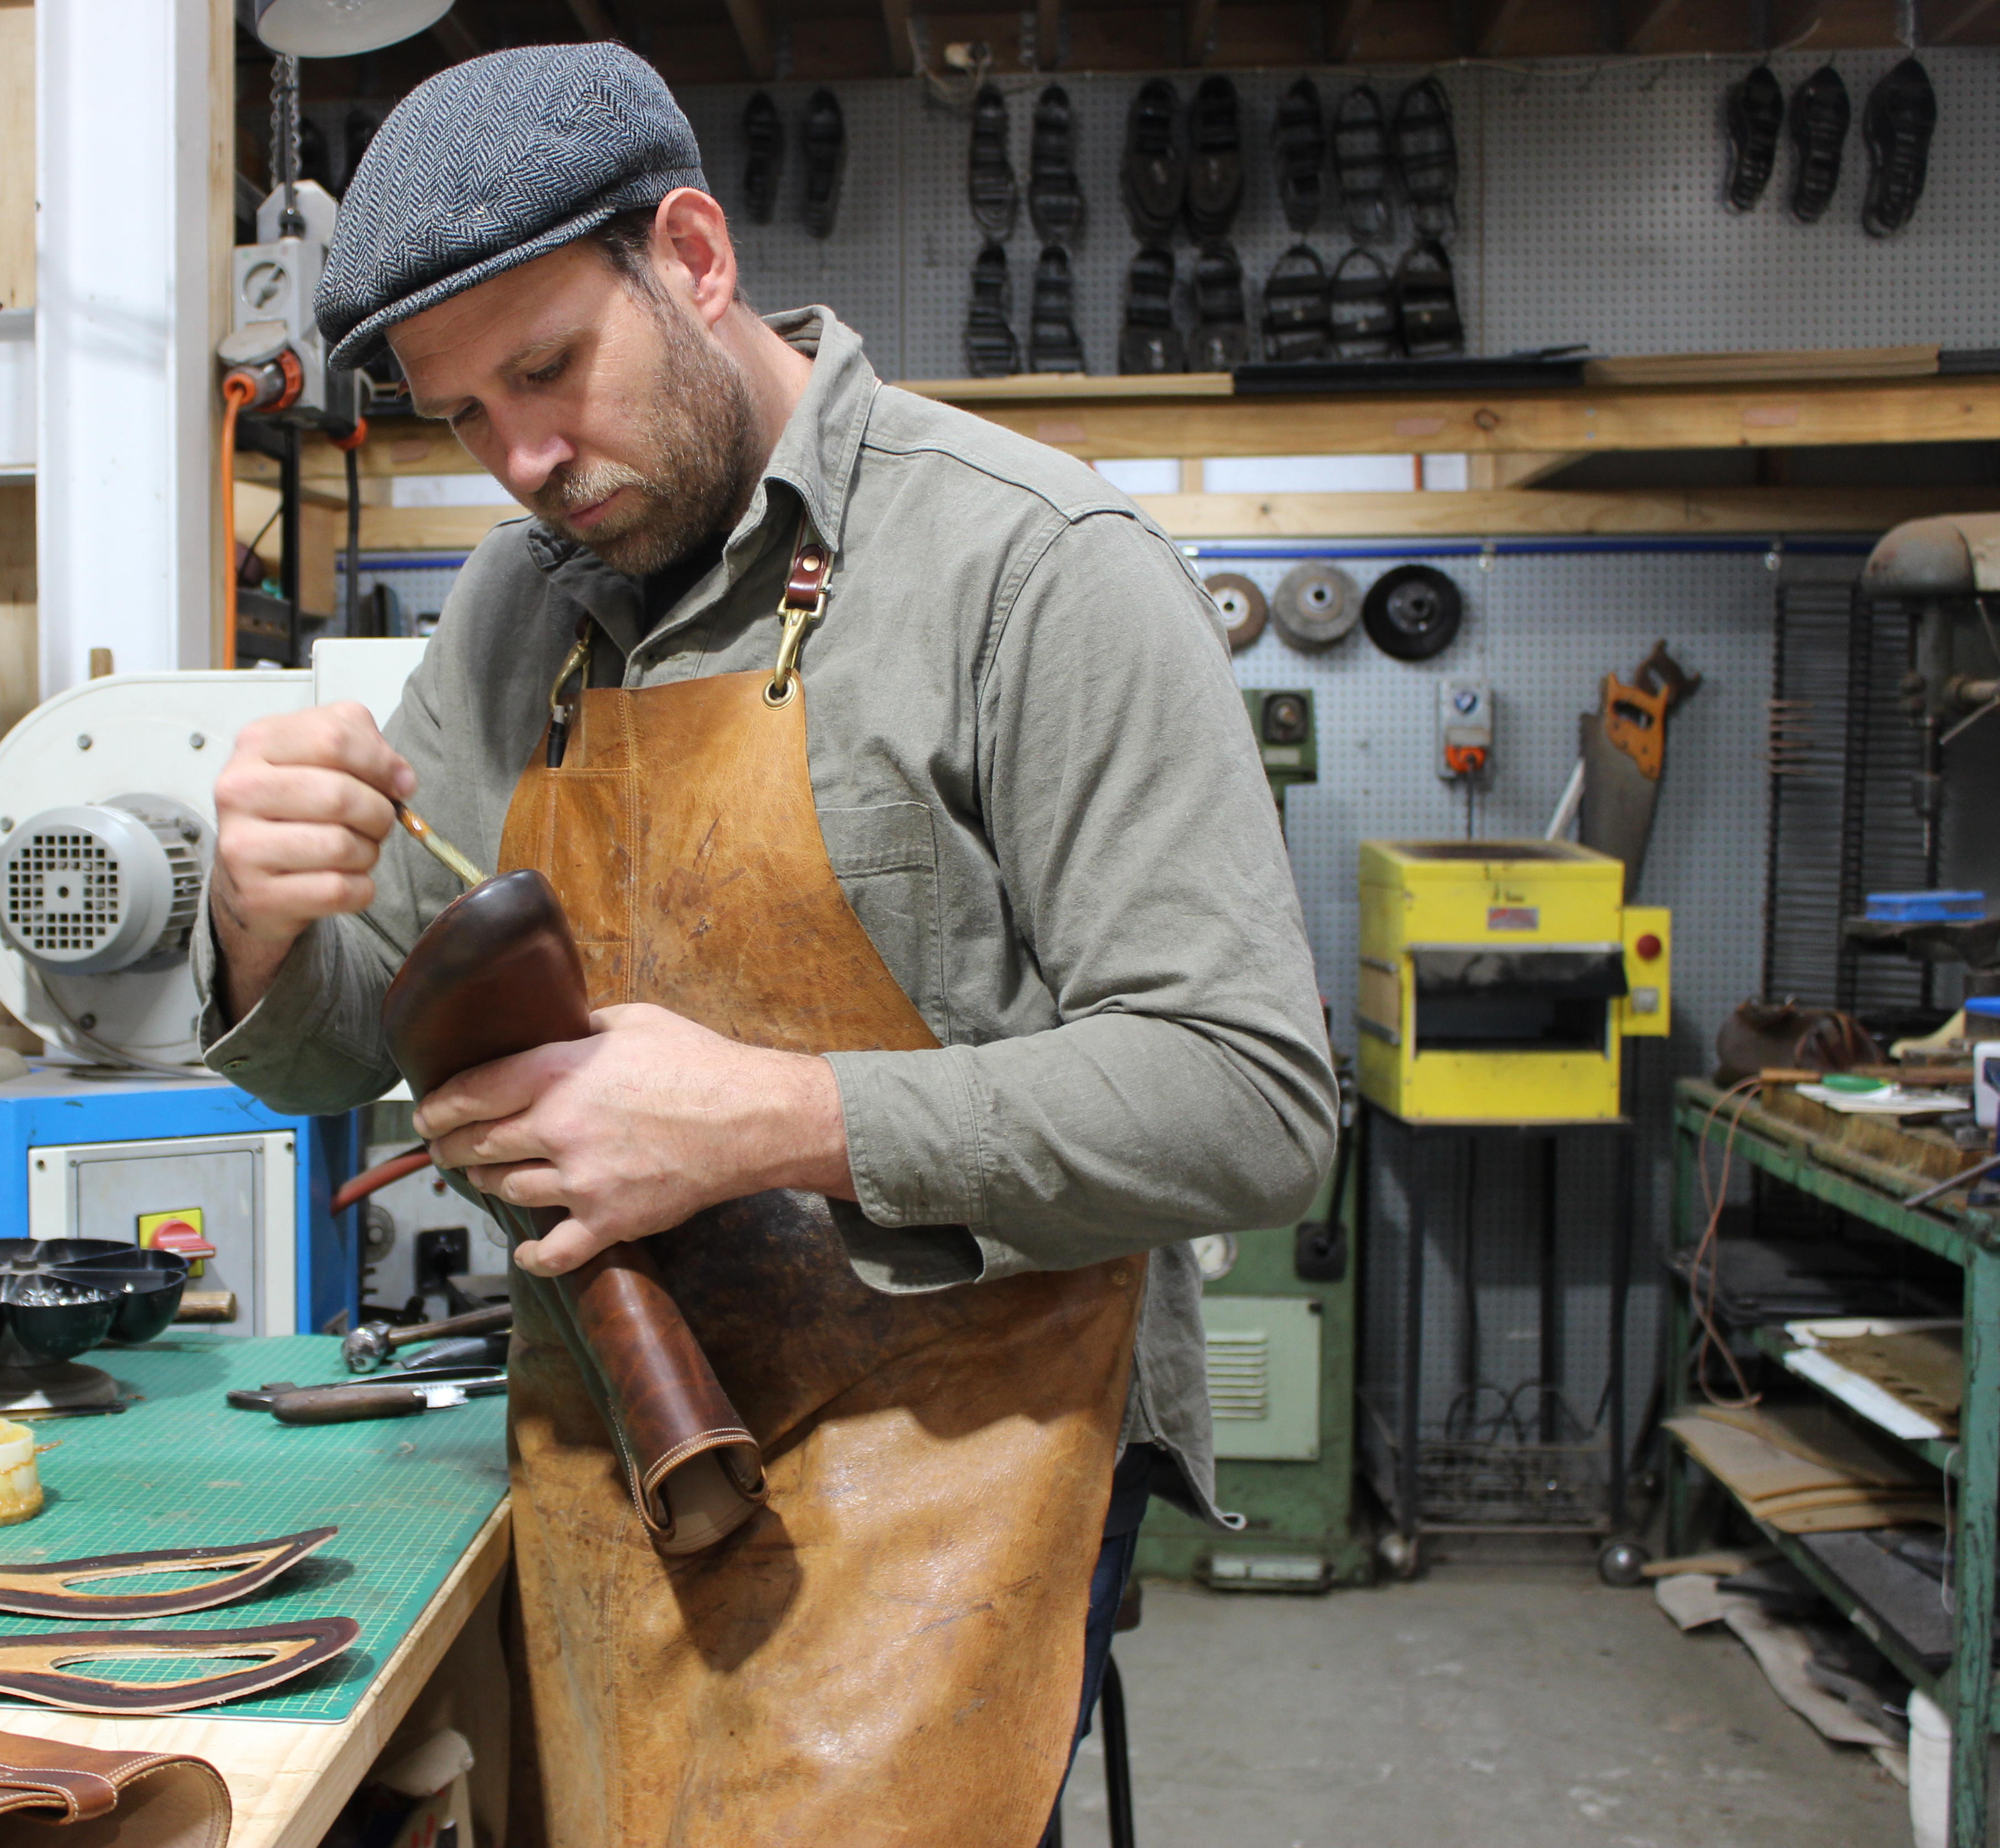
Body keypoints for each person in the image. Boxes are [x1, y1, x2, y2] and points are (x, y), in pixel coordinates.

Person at [196, 44, 1337, 1846]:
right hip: (628, 1440)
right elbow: (356, 1041)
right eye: (463, 417)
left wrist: (774, 1120)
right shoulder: (517, 608)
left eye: (548, 371)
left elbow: (1251, 1104)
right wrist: (260, 917)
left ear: (695, 256)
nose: (524, 460)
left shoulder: (1031, 568)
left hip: (960, 1469)